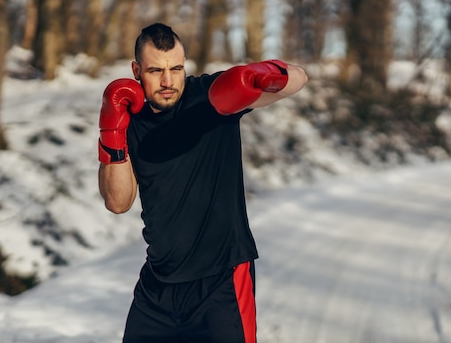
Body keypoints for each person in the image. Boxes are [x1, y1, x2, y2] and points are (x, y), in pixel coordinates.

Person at [97, 23, 308, 343]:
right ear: (136, 70)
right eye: (155, 70)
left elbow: (299, 79)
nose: (168, 81)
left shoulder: (211, 97)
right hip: (158, 287)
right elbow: (117, 201)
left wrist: (265, 73)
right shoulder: (130, 117)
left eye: (176, 68)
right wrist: (112, 134)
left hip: (220, 284)